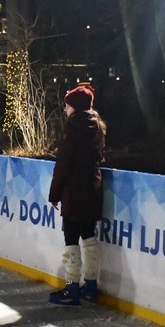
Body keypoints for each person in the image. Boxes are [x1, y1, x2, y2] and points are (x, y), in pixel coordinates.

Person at [47, 86, 106, 306]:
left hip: (74, 191)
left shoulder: (72, 127)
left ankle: (72, 287)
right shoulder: (98, 127)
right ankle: (90, 286)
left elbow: (63, 164)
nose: (65, 109)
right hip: (92, 188)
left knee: (71, 238)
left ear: (75, 106)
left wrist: (54, 194)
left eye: (68, 104)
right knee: (89, 237)